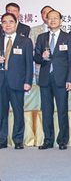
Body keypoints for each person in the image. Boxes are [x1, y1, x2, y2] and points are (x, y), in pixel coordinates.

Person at [34, 10, 71, 150]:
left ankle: (63, 140)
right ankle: (48, 139)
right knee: (46, 110)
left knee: (62, 110)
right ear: (46, 20)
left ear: (60, 21)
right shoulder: (41, 37)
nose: (52, 20)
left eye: (55, 18)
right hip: (45, 78)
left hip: (62, 79)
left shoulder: (67, 37)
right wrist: (42, 56)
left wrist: (70, 79)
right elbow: (36, 57)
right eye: (49, 18)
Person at [0, 13, 33, 149]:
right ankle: (2, 140)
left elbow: (29, 64)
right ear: (1, 25)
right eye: (4, 22)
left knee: (18, 111)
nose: (7, 25)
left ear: (16, 24)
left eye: (10, 22)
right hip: (1, 81)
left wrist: (28, 82)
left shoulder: (24, 41)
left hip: (17, 81)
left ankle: (18, 140)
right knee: (1, 112)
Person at [29, 6, 53, 84]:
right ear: (41, 15)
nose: (47, 14)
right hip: (40, 65)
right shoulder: (34, 30)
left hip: (57, 67)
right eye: (44, 13)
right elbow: (30, 48)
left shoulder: (62, 30)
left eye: (49, 12)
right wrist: (37, 44)